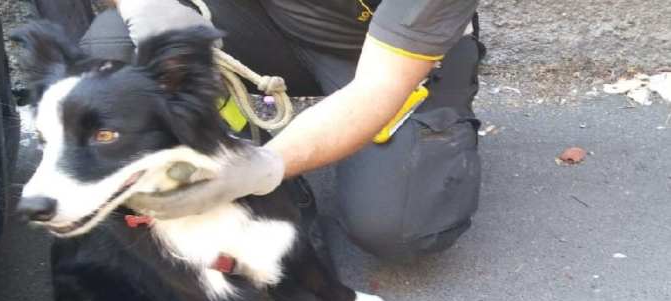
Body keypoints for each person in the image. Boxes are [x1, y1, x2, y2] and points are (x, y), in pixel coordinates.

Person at [81, 0, 483, 261]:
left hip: (391, 59)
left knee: (398, 229)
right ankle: (270, 188)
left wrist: (263, 166)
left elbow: (377, 87)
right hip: (264, 26)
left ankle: (263, 170)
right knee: (116, 43)